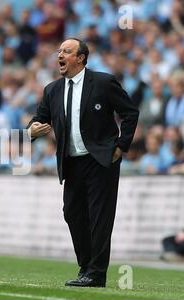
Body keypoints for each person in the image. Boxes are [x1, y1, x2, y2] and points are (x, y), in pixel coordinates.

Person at [28, 38, 139, 287]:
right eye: (59, 51)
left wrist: (121, 146)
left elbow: (130, 112)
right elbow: (38, 119)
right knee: (72, 213)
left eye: (66, 51)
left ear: (80, 57)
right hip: (71, 162)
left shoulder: (102, 82)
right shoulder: (52, 90)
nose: (60, 55)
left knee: (100, 217)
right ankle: (86, 266)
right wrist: (31, 131)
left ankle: (96, 273)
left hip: (101, 160)